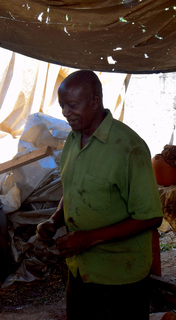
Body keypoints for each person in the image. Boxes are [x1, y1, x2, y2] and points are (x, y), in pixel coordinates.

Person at [36, 70, 163, 320]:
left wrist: (89, 238)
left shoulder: (129, 147)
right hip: (80, 271)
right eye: (62, 106)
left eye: (72, 105)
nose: (65, 113)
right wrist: (55, 220)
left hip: (120, 278)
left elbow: (150, 218)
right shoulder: (73, 140)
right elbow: (74, 190)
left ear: (95, 101)